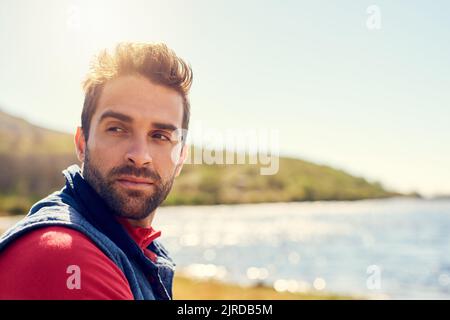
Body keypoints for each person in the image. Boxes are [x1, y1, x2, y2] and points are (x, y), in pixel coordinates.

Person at [0, 42, 193, 300]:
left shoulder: (134, 246)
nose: (139, 156)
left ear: (180, 156)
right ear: (82, 143)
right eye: (117, 129)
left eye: (159, 135)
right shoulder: (64, 256)